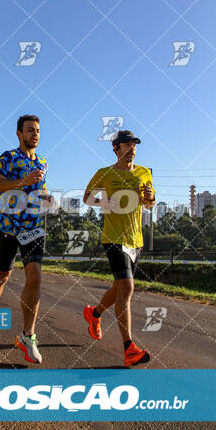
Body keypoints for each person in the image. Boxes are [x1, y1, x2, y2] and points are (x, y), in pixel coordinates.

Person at [83, 130, 156, 367]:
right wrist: (105, 202)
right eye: (127, 144)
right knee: (127, 286)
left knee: (119, 289)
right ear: (116, 149)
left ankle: (94, 313)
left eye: (135, 144)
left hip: (136, 240)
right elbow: (87, 197)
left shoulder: (145, 172)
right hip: (113, 237)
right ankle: (129, 348)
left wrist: (151, 196)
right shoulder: (105, 174)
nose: (132, 148)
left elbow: (149, 203)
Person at [0, 115, 53, 364]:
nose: (34, 134)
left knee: (35, 277)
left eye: (37, 130)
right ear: (19, 133)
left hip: (33, 227)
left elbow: (40, 187)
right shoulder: (8, 157)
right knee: (3, 275)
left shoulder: (44, 162)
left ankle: (28, 336)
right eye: (29, 130)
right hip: (9, 225)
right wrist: (22, 181)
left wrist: (47, 197)